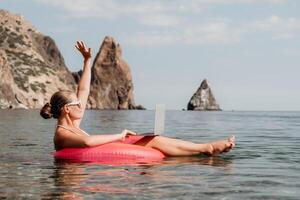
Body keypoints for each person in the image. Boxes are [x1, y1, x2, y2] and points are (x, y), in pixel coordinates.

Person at [40, 41, 235, 156]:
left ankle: (205, 148)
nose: (82, 104)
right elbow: (88, 143)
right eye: (77, 104)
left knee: (152, 139)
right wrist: (121, 135)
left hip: (100, 156)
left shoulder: (73, 122)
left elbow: (83, 89)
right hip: (77, 172)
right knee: (150, 145)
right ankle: (207, 148)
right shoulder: (62, 134)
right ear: (67, 109)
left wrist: (87, 60)